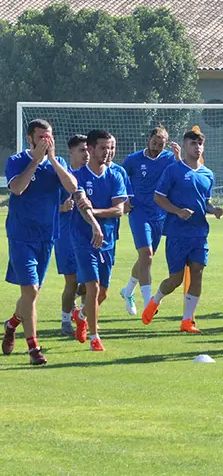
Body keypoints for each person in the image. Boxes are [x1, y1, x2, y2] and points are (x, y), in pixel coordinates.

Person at [2, 120, 87, 365]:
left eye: (49, 137)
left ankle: (12, 324)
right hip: (21, 236)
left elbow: (72, 187)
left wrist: (51, 160)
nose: (46, 142)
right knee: (31, 290)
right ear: (30, 139)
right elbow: (17, 189)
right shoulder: (18, 160)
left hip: (47, 237)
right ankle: (33, 349)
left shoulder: (56, 163)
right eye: (41, 138)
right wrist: (36, 162)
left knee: (31, 295)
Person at [141, 130, 223, 332]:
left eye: (200, 144)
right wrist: (177, 211)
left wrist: (214, 209)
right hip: (177, 234)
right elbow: (159, 197)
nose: (197, 148)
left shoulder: (208, 174)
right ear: (184, 147)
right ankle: (156, 300)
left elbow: (206, 202)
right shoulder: (173, 171)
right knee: (176, 280)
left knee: (198, 272)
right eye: (193, 144)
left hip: (199, 234)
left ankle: (187, 321)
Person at [70, 130, 129, 352]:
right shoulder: (79, 176)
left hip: (108, 240)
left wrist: (96, 212)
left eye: (111, 147)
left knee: (103, 292)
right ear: (91, 149)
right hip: (83, 238)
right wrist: (93, 218)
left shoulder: (115, 175)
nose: (108, 152)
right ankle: (95, 337)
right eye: (103, 148)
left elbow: (119, 209)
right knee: (92, 288)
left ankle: (82, 315)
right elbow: (82, 207)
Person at [120, 126, 181, 316]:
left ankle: (127, 291)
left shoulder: (169, 159)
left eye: (161, 145)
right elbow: (119, 179)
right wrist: (125, 199)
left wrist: (179, 158)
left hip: (160, 214)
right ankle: (148, 303)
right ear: (148, 139)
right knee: (146, 255)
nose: (157, 148)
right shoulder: (133, 160)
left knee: (147, 258)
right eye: (154, 143)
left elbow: (182, 174)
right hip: (139, 212)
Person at [55, 135, 90, 336]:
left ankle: (84, 318)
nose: (86, 154)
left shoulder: (90, 174)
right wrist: (61, 207)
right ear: (71, 153)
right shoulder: (62, 176)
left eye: (87, 150)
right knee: (72, 281)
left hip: (87, 235)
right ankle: (66, 322)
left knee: (89, 281)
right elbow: (46, 205)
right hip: (66, 235)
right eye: (81, 150)